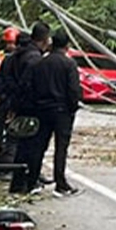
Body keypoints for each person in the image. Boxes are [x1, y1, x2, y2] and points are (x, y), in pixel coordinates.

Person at [36, 32, 84, 197]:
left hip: (43, 109)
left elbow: (35, 86)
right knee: (61, 147)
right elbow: (73, 90)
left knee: (40, 145)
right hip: (62, 111)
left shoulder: (41, 63)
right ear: (67, 46)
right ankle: (60, 183)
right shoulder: (69, 64)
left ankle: (33, 178)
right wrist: (73, 107)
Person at [9, 24, 51, 193]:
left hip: (19, 105)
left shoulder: (18, 55)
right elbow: (28, 84)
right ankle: (27, 181)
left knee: (22, 145)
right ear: (44, 39)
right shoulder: (35, 59)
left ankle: (19, 181)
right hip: (31, 108)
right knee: (32, 146)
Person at [0, 28, 20, 162]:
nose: (10, 46)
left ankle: (11, 160)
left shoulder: (21, 58)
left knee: (14, 132)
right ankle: (1, 157)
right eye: (8, 43)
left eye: (12, 43)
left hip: (13, 100)